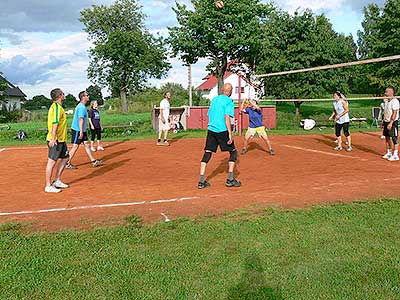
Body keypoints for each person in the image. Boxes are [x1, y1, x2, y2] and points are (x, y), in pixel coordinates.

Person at [198, 83, 241, 189]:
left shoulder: (214, 100)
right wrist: (230, 133)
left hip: (211, 129)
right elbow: (227, 117)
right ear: (230, 91)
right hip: (222, 130)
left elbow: (210, 114)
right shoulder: (229, 101)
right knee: (233, 152)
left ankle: (201, 181)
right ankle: (230, 179)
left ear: (222, 90)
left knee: (208, 152)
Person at [66, 91, 103, 169]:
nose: (88, 96)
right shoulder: (81, 107)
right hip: (78, 130)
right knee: (75, 146)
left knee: (86, 144)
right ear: (83, 97)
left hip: (82, 130)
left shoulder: (81, 106)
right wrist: (81, 132)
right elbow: (80, 119)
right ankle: (67, 163)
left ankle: (93, 161)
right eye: (87, 95)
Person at [45, 88, 69, 193]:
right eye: (63, 94)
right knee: (51, 162)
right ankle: (48, 185)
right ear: (59, 96)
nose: (64, 95)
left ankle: (57, 180)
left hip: (61, 139)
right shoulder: (56, 108)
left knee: (65, 158)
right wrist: (53, 138)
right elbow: (55, 123)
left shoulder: (59, 107)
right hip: (56, 140)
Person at [381, 87, 399, 161]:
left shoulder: (395, 101)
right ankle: (389, 152)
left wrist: (391, 123)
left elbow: (394, 113)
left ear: (391, 92)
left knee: (394, 138)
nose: (385, 93)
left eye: (387, 92)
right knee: (387, 137)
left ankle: (395, 154)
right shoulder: (386, 101)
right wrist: (383, 121)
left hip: (393, 122)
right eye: (385, 92)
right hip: (386, 121)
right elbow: (385, 112)